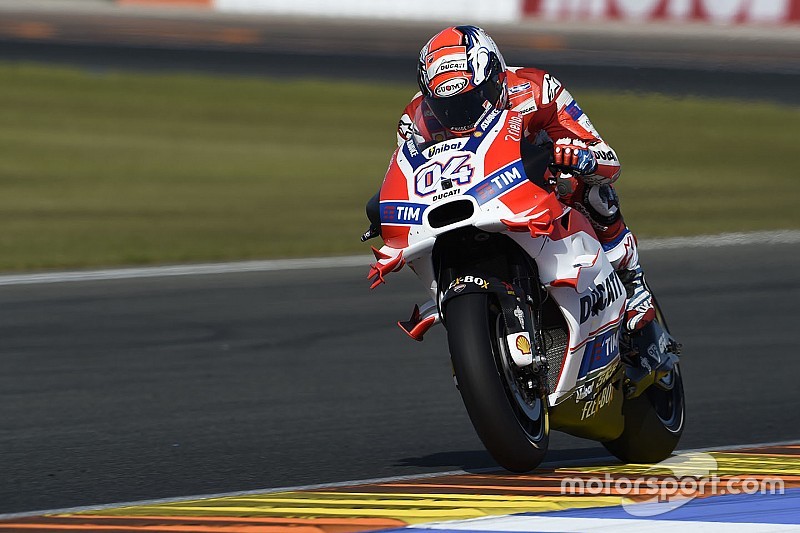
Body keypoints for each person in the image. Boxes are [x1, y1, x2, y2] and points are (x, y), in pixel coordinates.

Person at [365, 25, 654, 333]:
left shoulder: (539, 90)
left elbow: (608, 159)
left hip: (540, 183)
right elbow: (409, 172)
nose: (460, 115)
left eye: (471, 100)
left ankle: (632, 280)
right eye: (447, 107)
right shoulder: (414, 118)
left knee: (587, 185)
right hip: (476, 194)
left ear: (495, 78)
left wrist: (581, 156)